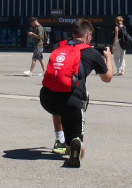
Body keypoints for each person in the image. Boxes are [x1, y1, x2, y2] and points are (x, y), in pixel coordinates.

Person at [39, 18, 113, 168]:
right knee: (76, 144)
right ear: (88, 35)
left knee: (59, 100)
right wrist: (108, 59)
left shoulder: (59, 47)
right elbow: (107, 78)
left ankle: (60, 140)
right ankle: (74, 147)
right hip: (71, 101)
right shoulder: (91, 52)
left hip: (47, 98)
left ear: (73, 34)